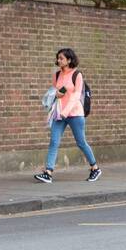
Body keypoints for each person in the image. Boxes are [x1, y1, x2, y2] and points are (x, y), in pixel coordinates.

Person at [35, 47, 101, 183]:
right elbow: (53, 90)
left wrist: (66, 112)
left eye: (61, 58)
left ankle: (95, 168)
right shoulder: (57, 75)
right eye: (58, 58)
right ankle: (48, 172)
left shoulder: (77, 75)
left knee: (81, 142)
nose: (58, 60)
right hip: (59, 114)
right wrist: (56, 94)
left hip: (75, 114)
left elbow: (76, 96)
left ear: (69, 60)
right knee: (54, 141)